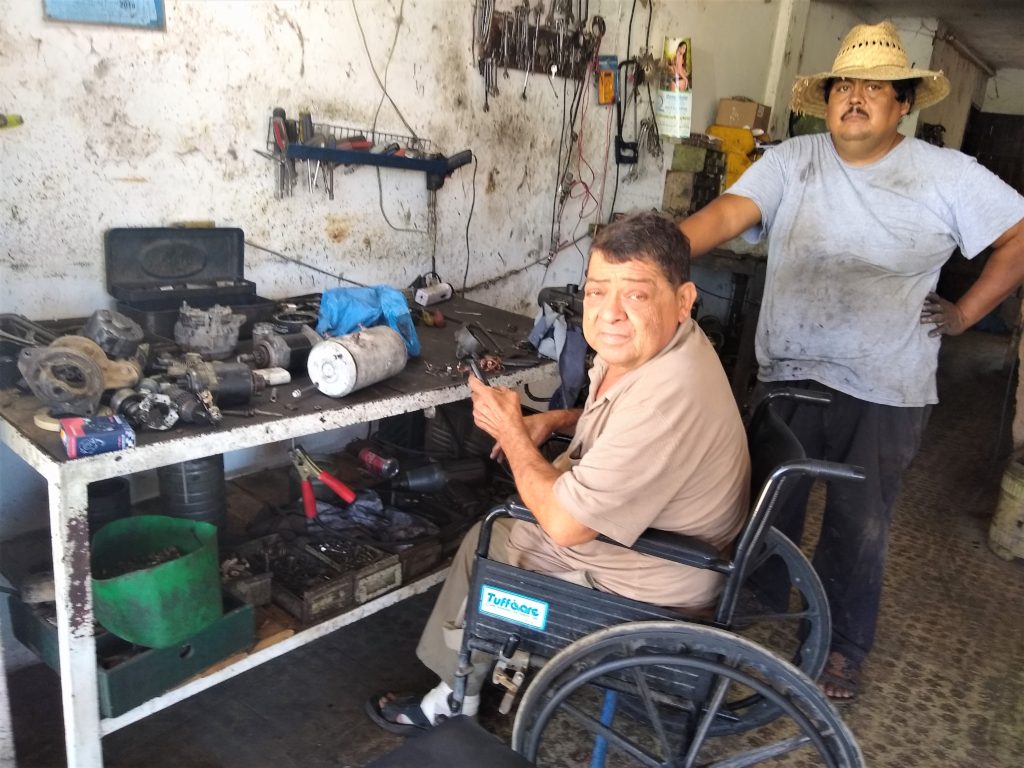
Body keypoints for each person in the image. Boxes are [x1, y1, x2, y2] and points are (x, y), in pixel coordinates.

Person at [679, 20, 1024, 701]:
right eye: (845, 85)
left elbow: (1018, 234)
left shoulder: (947, 175)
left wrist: (967, 314)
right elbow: (723, 214)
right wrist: (653, 256)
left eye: (876, 87)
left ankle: (842, 645)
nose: (857, 97)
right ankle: (759, 598)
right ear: (826, 98)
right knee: (768, 501)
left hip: (886, 386)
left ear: (902, 104)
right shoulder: (792, 161)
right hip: (791, 371)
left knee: (858, 523)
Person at [366, 211, 750, 734]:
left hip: (647, 582)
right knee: (506, 518)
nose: (609, 313)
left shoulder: (667, 398)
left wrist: (514, 433)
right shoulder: (666, 345)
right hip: (662, 541)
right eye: (596, 292)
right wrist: (556, 418)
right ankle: (488, 669)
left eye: (636, 294)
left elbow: (567, 527)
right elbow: (618, 414)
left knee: (490, 542)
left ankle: (459, 696)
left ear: (683, 299)